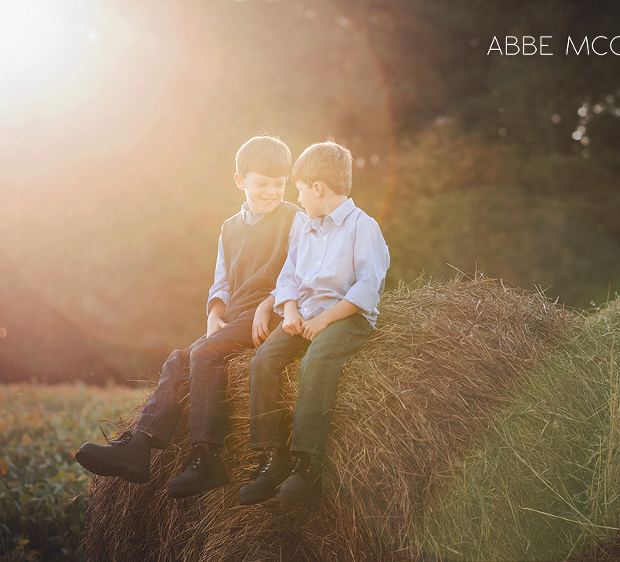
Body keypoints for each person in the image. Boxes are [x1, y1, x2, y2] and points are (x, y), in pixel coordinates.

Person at [76, 135, 307, 498]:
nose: (271, 192)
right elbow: (223, 279)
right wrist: (216, 312)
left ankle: (206, 457)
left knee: (205, 353)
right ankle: (140, 445)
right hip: (236, 315)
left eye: (279, 184)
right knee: (179, 358)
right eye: (262, 183)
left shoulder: (295, 218)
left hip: (273, 311)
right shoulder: (230, 227)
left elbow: (302, 270)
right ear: (240, 180)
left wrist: (272, 301)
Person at [238, 141, 390, 505]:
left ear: (317, 188)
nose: (299, 198)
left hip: (346, 317)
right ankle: (272, 458)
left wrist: (324, 320)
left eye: (301, 189)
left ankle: (307, 467)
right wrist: (289, 310)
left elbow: (368, 287)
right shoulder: (305, 228)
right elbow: (288, 277)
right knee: (263, 361)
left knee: (317, 360)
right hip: (303, 315)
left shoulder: (363, 227)